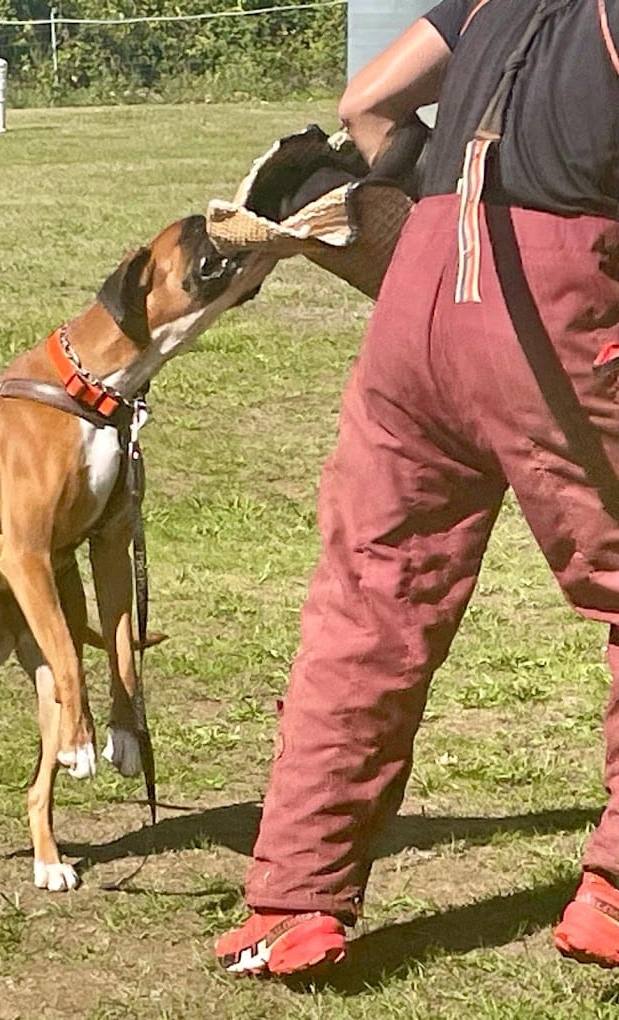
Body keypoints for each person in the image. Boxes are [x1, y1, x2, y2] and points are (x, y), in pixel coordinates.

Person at [215, 0, 619, 977]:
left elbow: (367, 103)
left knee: (368, 595)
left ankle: (291, 904)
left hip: (420, 293)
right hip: (558, 297)